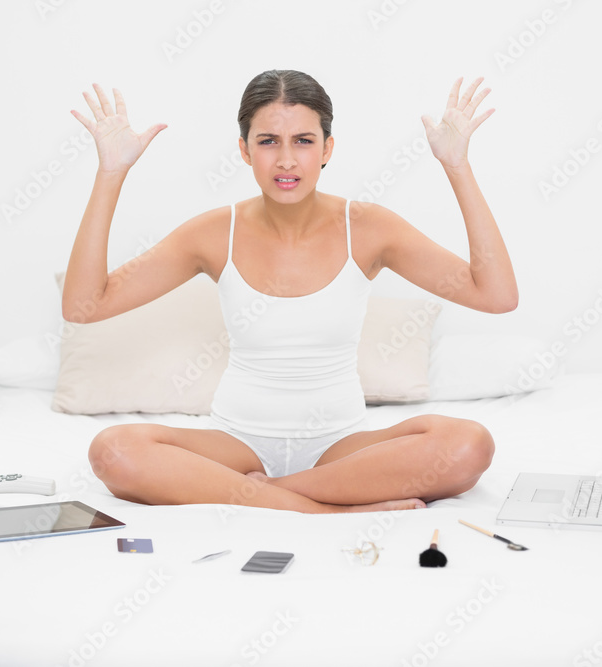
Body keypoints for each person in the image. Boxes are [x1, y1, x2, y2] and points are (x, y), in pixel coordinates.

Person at [65, 69, 517, 514]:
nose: (286, 160)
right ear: (244, 150)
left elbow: (496, 296)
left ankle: (269, 493)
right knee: (112, 451)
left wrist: (456, 166)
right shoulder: (214, 233)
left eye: (303, 141)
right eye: (268, 141)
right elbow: (84, 306)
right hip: (235, 445)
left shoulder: (368, 228)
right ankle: (325, 510)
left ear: (327, 148)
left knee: (468, 445)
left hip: (341, 448)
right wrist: (111, 173)